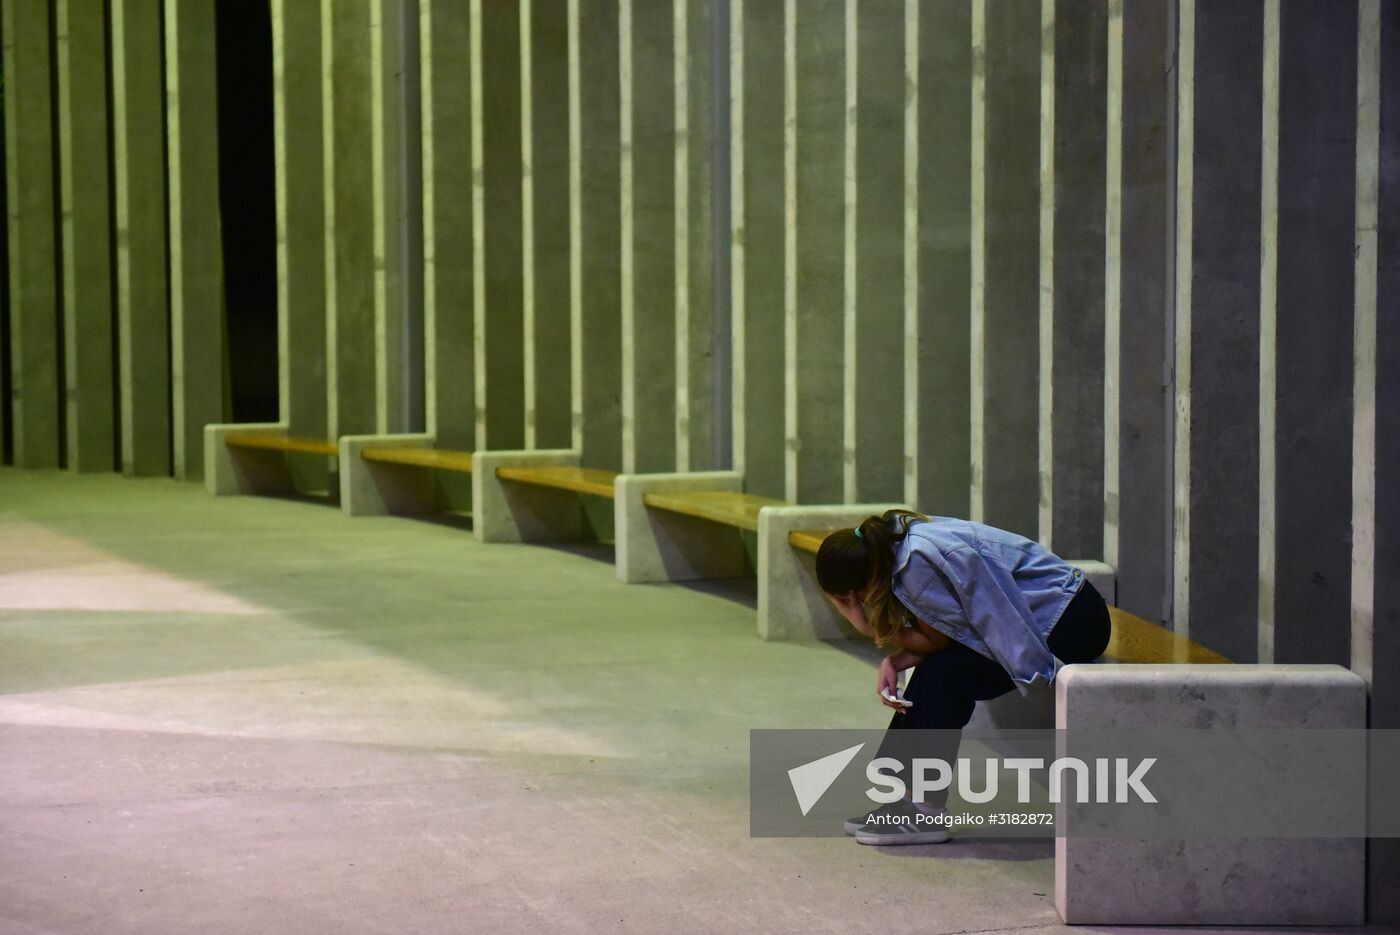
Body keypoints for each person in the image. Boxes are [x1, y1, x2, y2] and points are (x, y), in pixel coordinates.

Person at [815, 508, 1111, 845]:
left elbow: (936, 640)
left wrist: (864, 625)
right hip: (1055, 611)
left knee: (944, 674)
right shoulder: (895, 549)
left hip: (1071, 619)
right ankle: (910, 801)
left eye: (847, 601)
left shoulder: (914, 567)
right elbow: (945, 632)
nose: (855, 605)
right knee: (937, 668)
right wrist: (895, 660)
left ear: (857, 588)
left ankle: (925, 812)